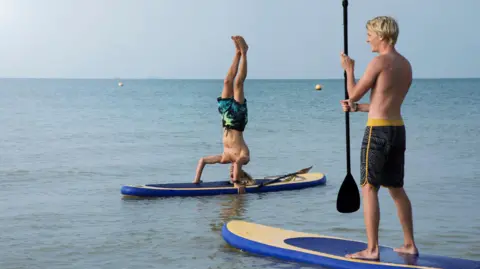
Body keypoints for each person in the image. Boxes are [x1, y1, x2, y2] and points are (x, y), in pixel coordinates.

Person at [339, 16, 418, 260]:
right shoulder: (405, 65)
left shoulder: (378, 62)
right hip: (397, 130)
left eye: (370, 34)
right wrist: (358, 108)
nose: (367, 39)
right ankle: (409, 244)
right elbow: (382, 102)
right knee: (396, 189)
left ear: (381, 35)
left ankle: (372, 249)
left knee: (369, 187)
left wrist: (349, 70)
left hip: (377, 132)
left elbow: (352, 93)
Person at [192, 36, 254, 194]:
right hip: (238, 120)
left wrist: (196, 180)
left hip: (226, 118)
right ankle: (241, 53)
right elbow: (239, 163)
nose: (231, 171)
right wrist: (236, 183)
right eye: (233, 173)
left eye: (231, 172)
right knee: (236, 83)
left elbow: (203, 160)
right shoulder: (244, 156)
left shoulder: (225, 157)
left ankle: (240, 52)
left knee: (228, 82)